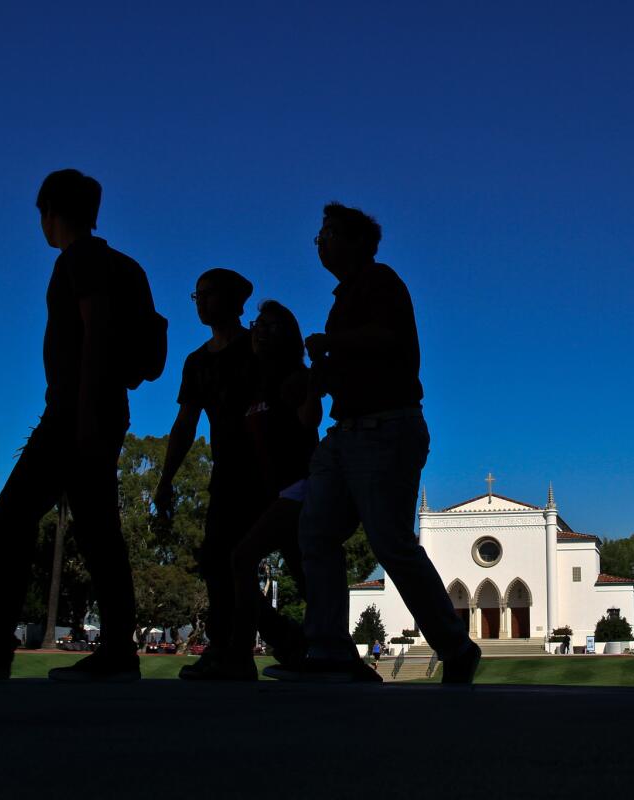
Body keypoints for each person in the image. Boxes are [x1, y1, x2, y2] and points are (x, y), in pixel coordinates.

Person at [0, 169, 146, 681]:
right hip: (99, 409)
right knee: (99, 532)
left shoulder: (79, 259)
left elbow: (97, 331)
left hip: (74, 411)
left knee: (13, 513)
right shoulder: (125, 265)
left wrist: (83, 413)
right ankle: (117, 653)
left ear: (49, 211)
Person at [265, 202, 480, 684]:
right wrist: (308, 384)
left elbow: (386, 339)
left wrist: (330, 345)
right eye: (318, 236)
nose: (320, 243)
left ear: (358, 243)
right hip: (347, 434)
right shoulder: (343, 301)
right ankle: (330, 651)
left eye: (329, 234)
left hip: (387, 429)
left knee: (391, 542)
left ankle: (455, 647)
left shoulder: (382, 282)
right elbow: (345, 366)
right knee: (315, 534)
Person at [154, 268, 264, 679]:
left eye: (209, 294)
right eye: (197, 295)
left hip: (266, 469)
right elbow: (185, 423)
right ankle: (226, 649)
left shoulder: (256, 349)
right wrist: (165, 480)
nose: (201, 302)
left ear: (236, 302)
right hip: (227, 473)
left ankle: (282, 645)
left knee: (251, 559)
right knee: (219, 560)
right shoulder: (196, 362)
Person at [213, 300, 320, 680]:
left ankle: (240, 658)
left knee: (242, 560)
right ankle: (308, 647)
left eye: (272, 326)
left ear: (288, 336)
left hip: (302, 488)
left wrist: (315, 381)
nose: (260, 330)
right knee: (306, 578)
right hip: (275, 492)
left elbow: (310, 421)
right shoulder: (254, 381)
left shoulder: (293, 378)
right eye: (258, 323)